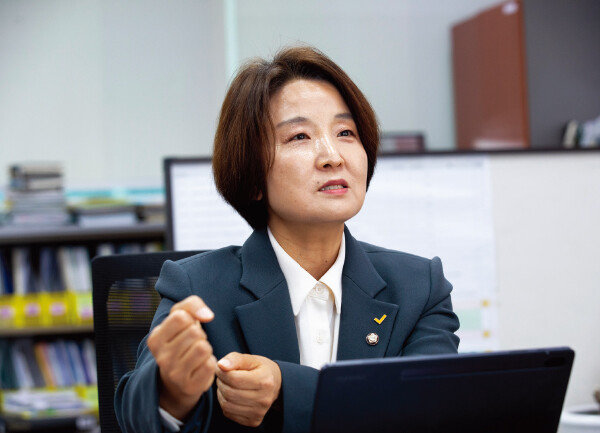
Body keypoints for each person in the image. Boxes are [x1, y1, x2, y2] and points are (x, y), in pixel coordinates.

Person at [114, 46, 460, 433]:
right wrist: (174, 394)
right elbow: (134, 416)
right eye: (299, 136)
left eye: (346, 133)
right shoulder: (197, 288)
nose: (332, 156)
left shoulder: (419, 287)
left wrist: (285, 387)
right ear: (252, 177)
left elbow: (430, 408)